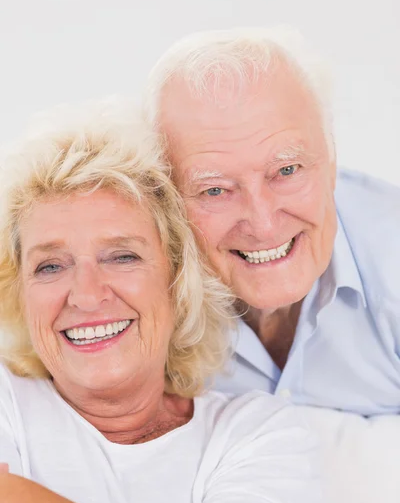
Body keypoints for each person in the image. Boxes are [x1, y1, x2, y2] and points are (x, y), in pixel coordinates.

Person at [0, 103, 327, 503]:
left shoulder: (254, 432)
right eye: (50, 266)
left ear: (178, 281)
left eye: (122, 257)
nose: (87, 296)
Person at [144, 26, 400, 416]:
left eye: (287, 170)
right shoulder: (133, 294)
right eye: (214, 190)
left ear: (331, 159)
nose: (262, 224)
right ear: (166, 196)